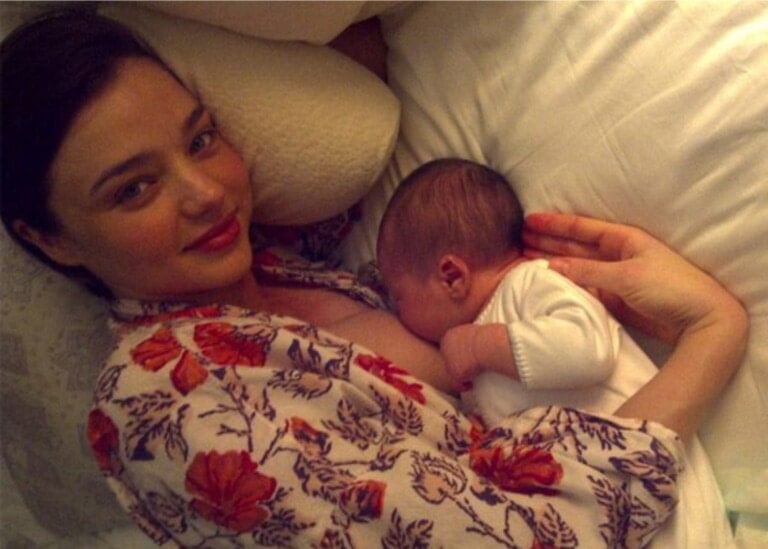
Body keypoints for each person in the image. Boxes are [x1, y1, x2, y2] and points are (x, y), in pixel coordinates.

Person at [1, 9, 747, 548]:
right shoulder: (156, 399)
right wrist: (712, 334)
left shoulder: (275, 260)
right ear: (53, 238)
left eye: (202, 137)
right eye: (132, 189)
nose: (206, 192)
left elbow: (352, 87)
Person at [377, 158, 645, 425]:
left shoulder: (530, 281)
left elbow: (589, 348)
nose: (396, 313)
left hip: (650, 439)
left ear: (451, 277)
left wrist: (479, 345)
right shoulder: (478, 335)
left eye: (398, 297)